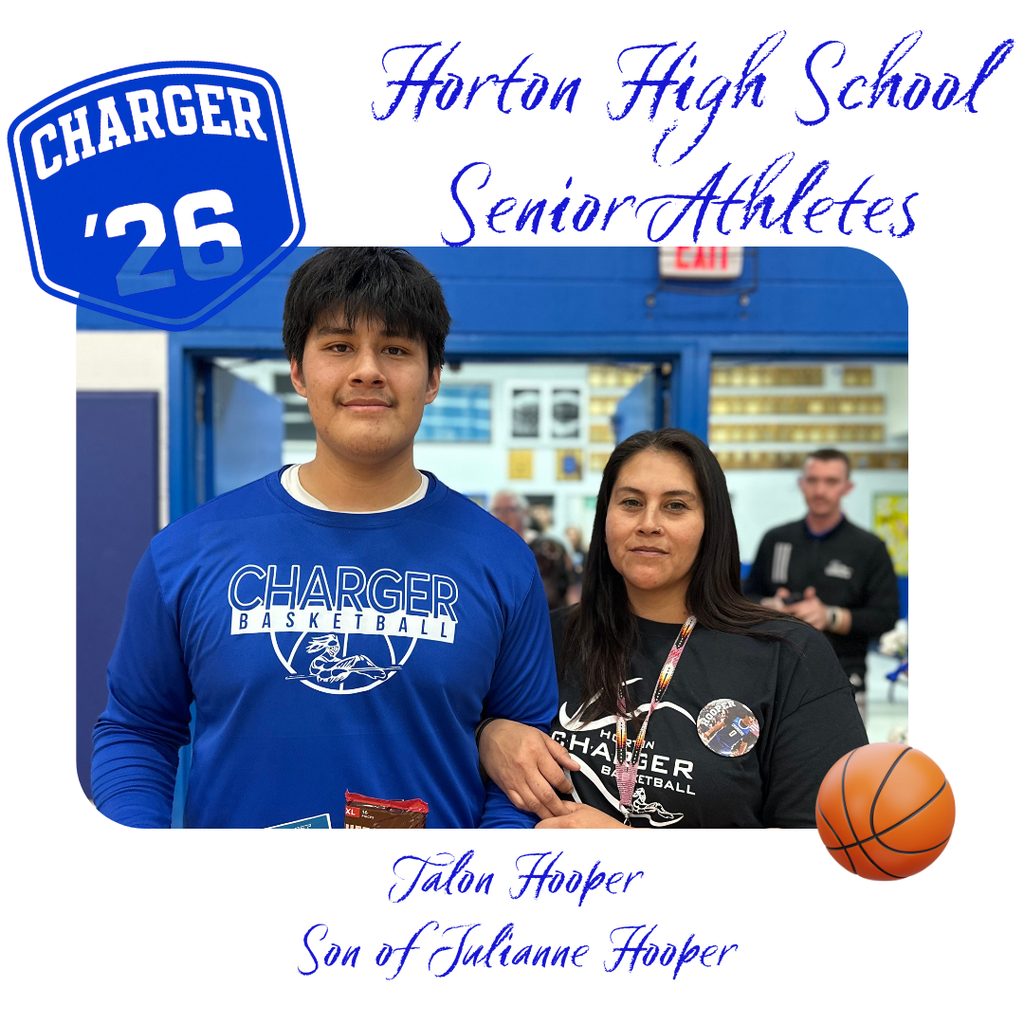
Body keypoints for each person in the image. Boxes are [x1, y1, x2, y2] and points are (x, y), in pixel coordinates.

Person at [91, 247, 557, 829]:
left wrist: (472, 890)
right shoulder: (187, 551)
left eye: (396, 349)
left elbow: (524, 767)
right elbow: (136, 731)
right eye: (339, 347)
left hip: (425, 910)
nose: (367, 370)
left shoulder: (501, 562)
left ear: (433, 377)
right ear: (298, 369)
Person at [477, 429, 867, 828]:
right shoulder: (545, 636)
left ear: (710, 523)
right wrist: (487, 735)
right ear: (605, 517)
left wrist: (637, 858)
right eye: (630, 502)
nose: (649, 524)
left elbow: (824, 852)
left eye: (675, 506)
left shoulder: (789, 657)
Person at [742, 449, 900, 713]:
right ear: (801, 484)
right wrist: (769, 606)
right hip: (772, 677)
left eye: (831, 481)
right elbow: (744, 597)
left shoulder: (869, 548)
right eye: (812, 480)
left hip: (844, 677)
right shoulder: (776, 539)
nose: (820, 490)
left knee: (846, 756)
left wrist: (830, 617)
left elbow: (885, 616)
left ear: (847, 487)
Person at [489, 491, 572, 610]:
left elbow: (566, 590)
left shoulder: (548, 548)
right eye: (496, 510)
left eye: (509, 509)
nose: (502, 515)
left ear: (525, 512)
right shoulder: (486, 552)